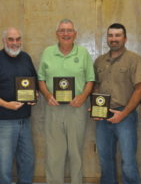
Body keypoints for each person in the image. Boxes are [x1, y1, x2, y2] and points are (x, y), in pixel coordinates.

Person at [38, 19, 95, 184]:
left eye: (69, 30)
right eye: (62, 30)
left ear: (75, 34)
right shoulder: (48, 52)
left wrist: (83, 97)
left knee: (76, 153)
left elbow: (90, 80)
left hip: (76, 109)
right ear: (57, 34)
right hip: (53, 109)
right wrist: (48, 95)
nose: (66, 34)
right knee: (54, 154)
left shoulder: (83, 53)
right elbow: (40, 79)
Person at [0, 27, 37, 184]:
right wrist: (6, 105)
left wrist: (34, 96)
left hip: (24, 121)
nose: (15, 43)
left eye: (18, 39)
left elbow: (34, 82)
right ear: (4, 41)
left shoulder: (26, 58)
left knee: (27, 163)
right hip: (1, 122)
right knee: (3, 169)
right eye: (11, 39)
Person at [93, 23, 141, 184]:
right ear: (107, 38)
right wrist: (96, 109)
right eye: (110, 35)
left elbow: (140, 90)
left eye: (117, 35)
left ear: (125, 38)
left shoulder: (134, 60)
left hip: (126, 115)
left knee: (128, 161)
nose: (114, 39)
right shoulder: (99, 61)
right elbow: (96, 86)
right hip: (103, 116)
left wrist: (123, 114)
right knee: (105, 159)